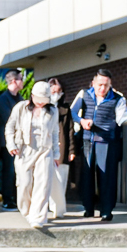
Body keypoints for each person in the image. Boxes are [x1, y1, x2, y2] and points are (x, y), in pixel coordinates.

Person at [71, 69, 127, 221]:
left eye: (106, 85)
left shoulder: (118, 99)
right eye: (100, 85)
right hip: (88, 140)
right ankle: (88, 208)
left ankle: (106, 210)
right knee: (87, 176)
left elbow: (123, 119)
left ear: (110, 85)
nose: (102, 89)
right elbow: (73, 112)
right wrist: (82, 121)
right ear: (93, 83)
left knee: (106, 177)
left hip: (107, 142)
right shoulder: (84, 94)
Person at [5, 81, 59, 228]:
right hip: (25, 150)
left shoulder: (53, 111)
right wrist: (11, 144)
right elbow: (9, 126)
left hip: (45, 149)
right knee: (24, 183)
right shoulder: (21, 108)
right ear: (32, 96)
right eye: (38, 100)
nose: (41, 103)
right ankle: (27, 212)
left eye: (44, 100)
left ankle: (38, 217)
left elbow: (55, 133)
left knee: (43, 184)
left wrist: (56, 154)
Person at [0, 69, 24, 210]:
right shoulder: (3, 99)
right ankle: (7, 199)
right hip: (8, 140)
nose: (22, 82)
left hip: (21, 140)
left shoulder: (20, 98)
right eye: (20, 79)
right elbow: (9, 120)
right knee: (9, 170)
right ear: (13, 81)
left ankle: (18, 198)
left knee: (19, 170)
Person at [47, 78, 76, 218]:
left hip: (62, 146)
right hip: (46, 147)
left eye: (59, 91)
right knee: (47, 179)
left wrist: (71, 150)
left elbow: (70, 130)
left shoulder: (65, 108)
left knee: (61, 179)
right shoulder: (43, 108)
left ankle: (58, 209)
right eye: (53, 91)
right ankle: (49, 207)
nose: (56, 94)